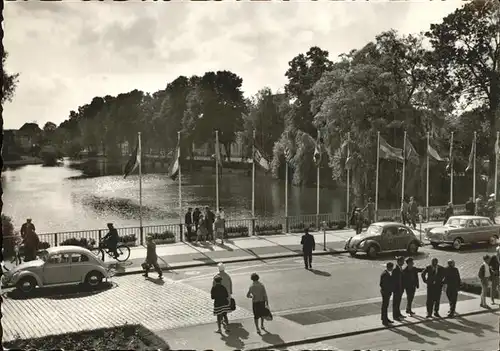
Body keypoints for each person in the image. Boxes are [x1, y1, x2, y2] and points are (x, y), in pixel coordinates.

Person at [213, 263, 232, 330]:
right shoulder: (227, 276)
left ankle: (219, 326)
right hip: (226, 296)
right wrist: (230, 293)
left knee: (219, 312)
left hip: (218, 299)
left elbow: (213, 289)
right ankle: (225, 323)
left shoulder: (216, 277)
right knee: (225, 311)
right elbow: (230, 285)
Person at [380, 262, 394, 326]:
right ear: (390, 267)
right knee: (385, 306)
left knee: (385, 306)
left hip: (386, 292)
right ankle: (384, 320)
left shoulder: (386, 273)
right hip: (386, 292)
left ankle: (385, 318)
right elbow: (384, 285)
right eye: (392, 267)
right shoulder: (385, 274)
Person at [392, 256, 405, 321]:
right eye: (402, 261)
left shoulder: (400, 268)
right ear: (399, 261)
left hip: (400, 289)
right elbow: (394, 281)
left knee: (398, 302)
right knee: (395, 303)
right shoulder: (395, 270)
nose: (403, 262)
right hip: (397, 290)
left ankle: (398, 313)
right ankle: (395, 316)